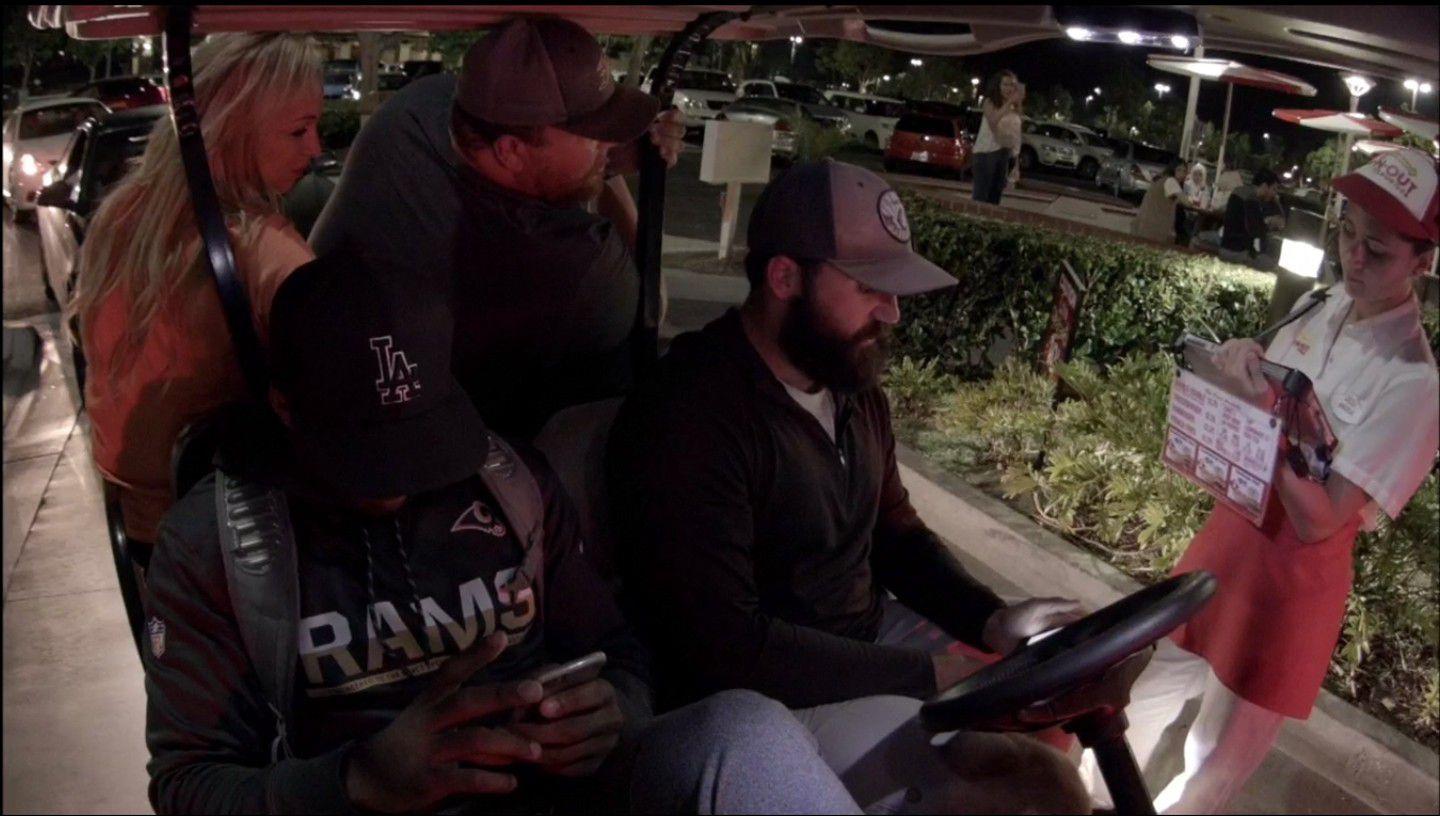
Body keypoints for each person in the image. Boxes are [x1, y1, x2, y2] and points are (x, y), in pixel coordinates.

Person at [142, 251, 865, 815]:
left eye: (417, 446)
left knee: (747, 729)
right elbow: (187, 786)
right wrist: (358, 780)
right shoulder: (219, 543)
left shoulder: (508, 482)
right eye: (365, 456)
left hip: (550, 795)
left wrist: (614, 706)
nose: (397, 484)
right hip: (354, 804)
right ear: (285, 408)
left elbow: (616, 646)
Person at [608, 159, 1091, 814]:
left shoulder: (850, 388)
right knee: (1019, 793)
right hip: (761, 701)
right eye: (869, 287)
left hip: (864, 648)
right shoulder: (692, 414)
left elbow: (896, 537)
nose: (892, 312)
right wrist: (930, 673)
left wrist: (991, 619)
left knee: (1052, 748)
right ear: (785, 278)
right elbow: (724, 644)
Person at [1082, 147, 1440, 814]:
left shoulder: (1414, 383)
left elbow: (1320, 519)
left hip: (1290, 584)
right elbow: (1257, 419)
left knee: (1213, 762)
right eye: (1347, 233)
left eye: (1379, 250)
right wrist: (1235, 372)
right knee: (1143, 697)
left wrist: (1262, 417)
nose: (1354, 258)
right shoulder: (1317, 304)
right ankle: (1085, 804)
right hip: (1229, 538)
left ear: (1423, 262)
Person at [310, 16, 685, 438]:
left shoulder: (415, 107)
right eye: (595, 135)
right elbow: (652, 307)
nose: (611, 143)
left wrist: (598, 158)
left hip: (327, 394)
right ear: (510, 151)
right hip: (457, 450)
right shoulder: (577, 265)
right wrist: (604, 174)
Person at [69, 33, 323, 557]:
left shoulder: (119, 217)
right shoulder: (261, 249)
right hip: (241, 542)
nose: (316, 149)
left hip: (145, 534)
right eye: (298, 130)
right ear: (232, 127)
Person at [970, 70, 1022, 205]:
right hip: (986, 152)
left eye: (1012, 85)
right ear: (998, 86)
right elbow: (993, 121)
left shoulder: (1014, 107)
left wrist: (1016, 163)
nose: (1009, 88)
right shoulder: (989, 102)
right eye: (1005, 84)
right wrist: (1009, 103)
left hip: (1004, 153)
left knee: (995, 198)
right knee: (981, 197)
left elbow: (1016, 135)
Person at [1218, 168, 1287, 270]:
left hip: (1226, 247)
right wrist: (1270, 223)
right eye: (1274, 189)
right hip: (1238, 253)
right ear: (1264, 186)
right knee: (1275, 266)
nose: (1274, 194)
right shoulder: (1251, 198)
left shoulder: (1239, 191)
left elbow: (1246, 222)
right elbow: (1256, 231)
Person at [1133, 161, 1190, 244]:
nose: (1182, 174)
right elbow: (1187, 202)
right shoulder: (1171, 181)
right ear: (1172, 169)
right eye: (1179, 170)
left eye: (1184, 171)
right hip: (1155, 226)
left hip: (1143, 222)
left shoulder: (1159, 179)